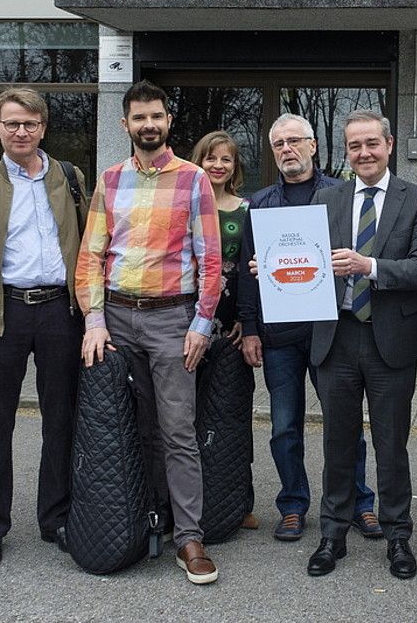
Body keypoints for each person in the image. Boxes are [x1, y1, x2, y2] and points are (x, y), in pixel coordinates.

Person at [75, 80, 223, 585]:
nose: (149, 125)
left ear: (168, 120)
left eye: (156, 116)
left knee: (177, 429)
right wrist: (94, 321)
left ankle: (189, 537)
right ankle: (137, 520)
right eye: (139, 118)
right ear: (125, 124)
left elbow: (212, 261)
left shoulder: (194, 179)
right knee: (128, 428)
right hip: (117, 319)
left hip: (170, 321)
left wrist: (201, 324)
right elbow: (91, 256)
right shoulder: (109, 180)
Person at [0, 87, 88, 569]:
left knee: (62, 419)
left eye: (29, 123)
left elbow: (89, 248)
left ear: (43, 127)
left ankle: (57, 518)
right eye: (12, 124)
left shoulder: (70, 178)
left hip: (59, 313)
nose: (21, 131)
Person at [303, 110, 417, 580]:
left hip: (391, 341)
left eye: (372, 144)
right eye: (355, 146)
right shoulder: (327, 199)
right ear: (346, 150)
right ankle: (332, 534)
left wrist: (370, 266)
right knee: (337, 442)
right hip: (335, 338)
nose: (363, 153)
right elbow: (308, 261)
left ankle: (398, 536)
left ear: (390, 144)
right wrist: (277, 271)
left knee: (391, 444)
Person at [237, 113, 380, 543]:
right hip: (278, 334)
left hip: (329, 330)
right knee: (284, 425)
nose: (287, 150)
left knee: (345, 421)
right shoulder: (260, 203)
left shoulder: (341, 194)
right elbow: (247, 273)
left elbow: (354, 255)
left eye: (295, 141)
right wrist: (248, 328)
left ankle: (359, 502)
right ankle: (293, 504)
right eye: (278, 144)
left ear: (313, 146)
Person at [190, 130, 257, 532]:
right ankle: (187, 498)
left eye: (226, 160)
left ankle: (237, 500)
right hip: (190, 318)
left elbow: (252, 270)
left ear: (235, 167)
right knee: (187, 414)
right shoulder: (184, 204)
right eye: (210, 158)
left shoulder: (247, 210)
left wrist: (246, 321)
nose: (217, 165)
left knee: (233, 412)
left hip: (231, 321)